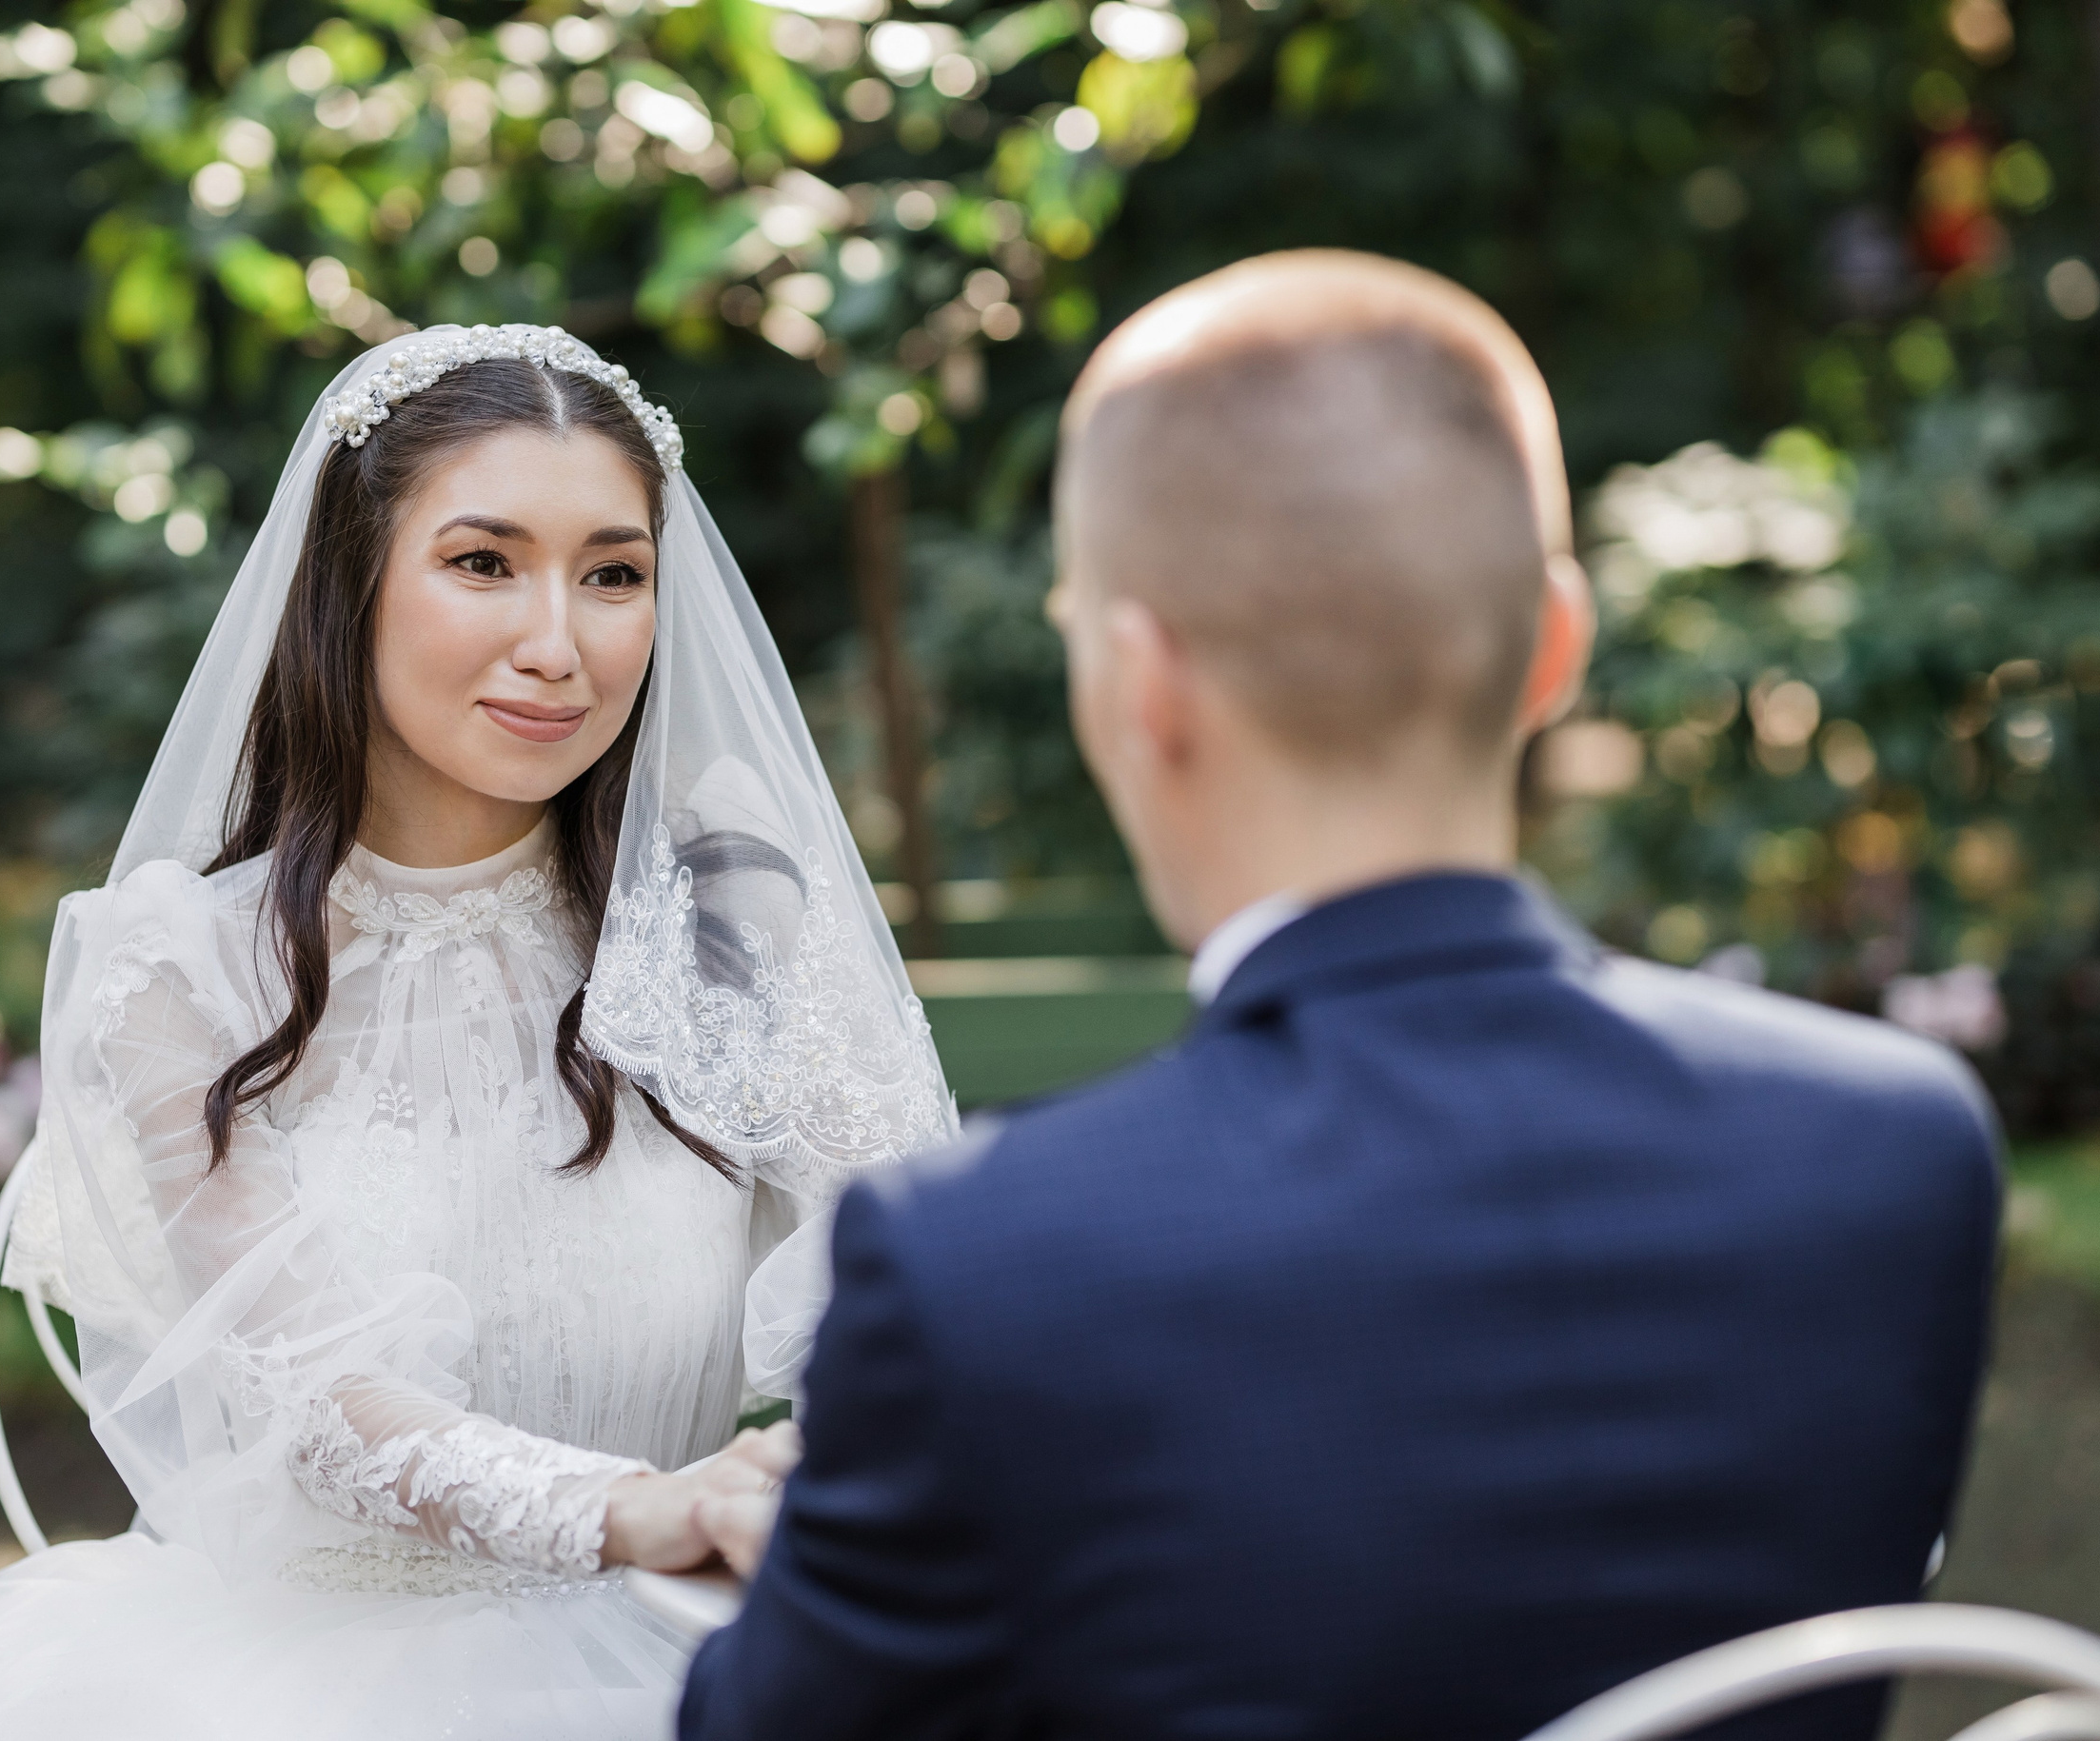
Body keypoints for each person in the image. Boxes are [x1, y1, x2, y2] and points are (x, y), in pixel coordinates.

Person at [678, 251, 2003, 1741]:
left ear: (1136, 682)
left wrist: (847, 1555)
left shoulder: (983, 1266)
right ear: (1554, 651)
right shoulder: (1898, 1145)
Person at [0, 326, 955, 1741]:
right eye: (483, 561)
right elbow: (315, 1395)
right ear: (353, 581)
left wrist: (818, 1451)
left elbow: (913, 1276)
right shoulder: (183, 970)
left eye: (614, 574)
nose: (558, 644)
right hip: (308, 1686)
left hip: (700, 1643)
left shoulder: (729, 910)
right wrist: (635, 1509)